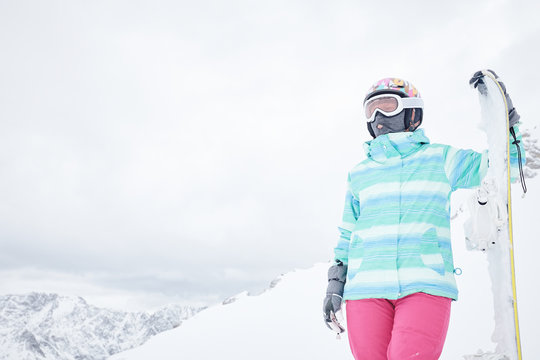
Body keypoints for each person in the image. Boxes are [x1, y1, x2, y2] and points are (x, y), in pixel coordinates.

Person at [322, 72, 525, 360]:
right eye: (371, 109)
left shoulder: (441, 159)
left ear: (412, 112)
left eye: (388, 105)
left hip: (424, 284)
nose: (378, 115)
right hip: (365, 289)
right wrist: (335, 283)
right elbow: (348, 233)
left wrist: (506, 120)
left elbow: (508, 165)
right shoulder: (360, 174)